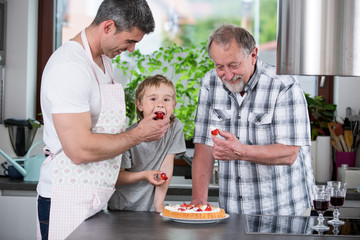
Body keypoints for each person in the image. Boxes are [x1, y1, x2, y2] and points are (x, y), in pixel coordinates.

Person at [37, 1, 171, 239]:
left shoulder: (104, 61)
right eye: (130, 41)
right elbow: (78, 150)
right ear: (108, 26)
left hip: (93, 199)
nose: (131, 49)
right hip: (66, 199)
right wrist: (139, 134)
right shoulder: (70, 67)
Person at [191, 24, 315, 216]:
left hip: (285, 211)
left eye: (234, 65)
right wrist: (199, 201)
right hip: (233, 212)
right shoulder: (210, 83)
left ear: (254, 55)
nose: (228, 75)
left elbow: (289, 153)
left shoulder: (283, 85)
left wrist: (241, 151)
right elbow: (204, 147)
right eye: (220, 67)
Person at [108, 74, 186, 213]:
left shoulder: (175, 128)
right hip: (121, 209)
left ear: (173, 106)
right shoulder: (128, 136)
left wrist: (159, 205)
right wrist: (145, 175)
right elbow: (117, 178)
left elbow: (166, 167)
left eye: (166, 99)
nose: (160, 104)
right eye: (153, 99)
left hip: (150, 210)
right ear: (140, 104)